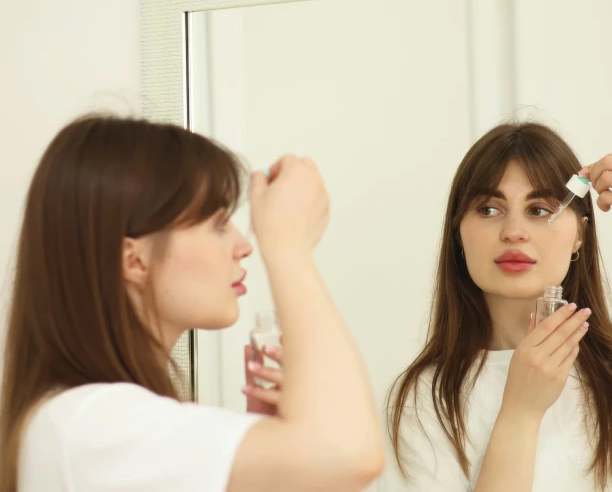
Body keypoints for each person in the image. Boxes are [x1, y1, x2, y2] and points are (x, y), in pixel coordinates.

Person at [0, 115, 384, 492]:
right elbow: (350, 454)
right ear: (134, 260)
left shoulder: (88, 427)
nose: (243, 245)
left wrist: (270, 456)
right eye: (218, 223)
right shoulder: (90, 426)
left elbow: (336, 459)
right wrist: (288, 246)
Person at [379, 122, 612, 491]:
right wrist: (520, 414)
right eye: (488, 209)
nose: (514, 231)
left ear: (579, 235)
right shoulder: (423, 401)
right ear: (458, 234)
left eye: (538, 209)